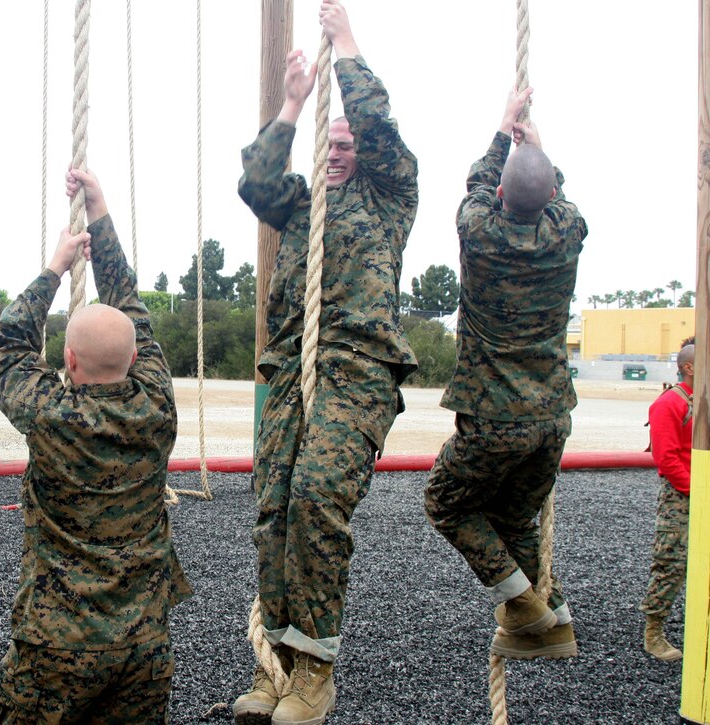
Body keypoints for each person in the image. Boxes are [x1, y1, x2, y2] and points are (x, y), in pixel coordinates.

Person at [233, 2, 418, 723]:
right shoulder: (301, 206)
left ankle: (315, 669)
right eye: (329, 143)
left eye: (347, 144)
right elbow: (255, 177)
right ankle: (274, 664)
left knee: (315, 500)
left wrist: (344, 44)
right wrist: (292, 103)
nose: (339, 150)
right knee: (274, 507)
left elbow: (377, 127)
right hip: (289, 368)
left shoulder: (390, 196)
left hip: (356, 367)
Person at [0, 168, 192, 723]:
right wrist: (100, 214)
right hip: (144, 644)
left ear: (68, 362)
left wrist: (55, 267)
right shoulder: (157, 406)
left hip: (57, 643)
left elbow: (7, 349)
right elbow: (132, 310)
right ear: (135, 360)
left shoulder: (52, 414)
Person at [423, 85, 589, 662]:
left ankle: (524, 607)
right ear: (549, 197)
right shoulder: (567, 230)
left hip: (495, 418)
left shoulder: (482, 231)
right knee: (516, 519)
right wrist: (537, 146)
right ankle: (556, 621)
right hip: (552, 419)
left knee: (446, 502)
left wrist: (502, 132)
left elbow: (476, 188)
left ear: (499, 195)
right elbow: (553, 192)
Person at [641, 343, 695, 661]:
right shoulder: (670, 404)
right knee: (671, 565)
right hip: (681, 498)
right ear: (688, 367)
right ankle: (654, 634)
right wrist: (697, 490)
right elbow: (667, 459)